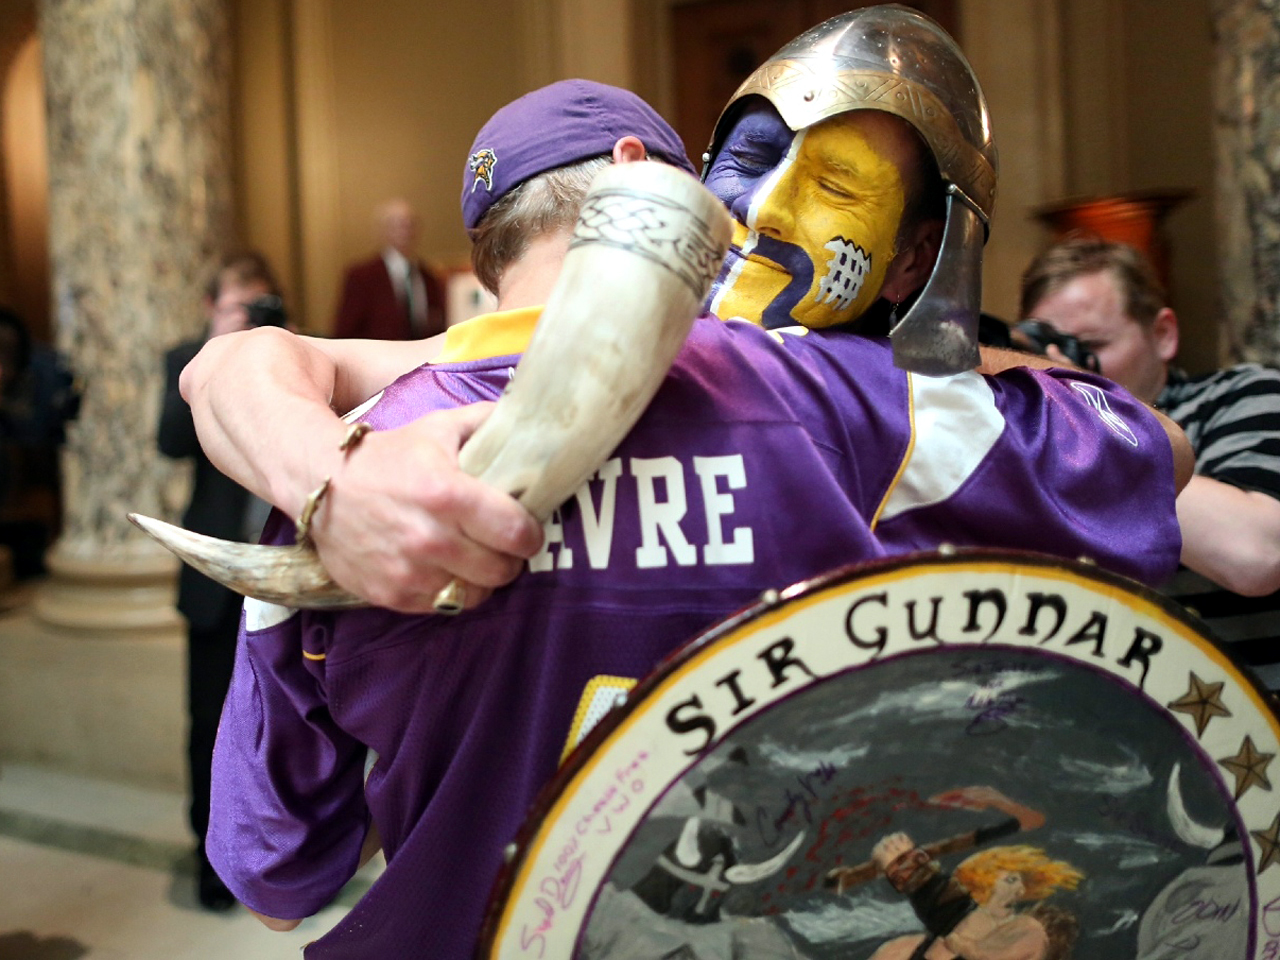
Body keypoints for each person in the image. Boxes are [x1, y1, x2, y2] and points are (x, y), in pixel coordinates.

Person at [199, 79, 1186, 959]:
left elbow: (281, 882)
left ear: (486, 247)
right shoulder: (839, 397)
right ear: (644, 175)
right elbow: (1151, 452)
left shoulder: (345, 478)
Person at [180, 8, 1190, 613]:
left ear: (914, 259)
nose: (756, 214)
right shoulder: (539, 363)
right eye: (747, 162)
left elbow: (1178, 475)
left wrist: (977, 375)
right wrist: (333, 485)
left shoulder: (933, 406)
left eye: (835, 189)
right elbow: (237, 364)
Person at [1020, 235, 1280, 688]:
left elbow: (1255, 556)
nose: (1063, 366)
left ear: (1163, 335)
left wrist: (1085, 412)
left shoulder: (1242, 396)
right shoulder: (1032, 437)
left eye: (1091, 344)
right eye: (1047, 349)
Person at [157, 251, 281, 910]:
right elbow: (170, 439)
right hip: (214, 573)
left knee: (289, 722)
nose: (252, 317)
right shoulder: (184, 356)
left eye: (261, 304)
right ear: (212, 307)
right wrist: (215, 349)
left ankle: (286, 856)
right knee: (208, 722)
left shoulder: (289, 355)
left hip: (282, 576)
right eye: (240, 305)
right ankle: (212, 860)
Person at [869, 834, 1083, 960]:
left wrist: (911, 870)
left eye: (1010, 879)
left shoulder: (1031, 933)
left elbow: (980, 950)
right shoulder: (903, 949)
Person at [331, 197, 447, 340]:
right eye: (398, 224)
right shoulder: (362, 276)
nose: (405, 231)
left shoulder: (427, 276)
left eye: (410, 224)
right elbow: (345, 331)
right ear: (383, 229)